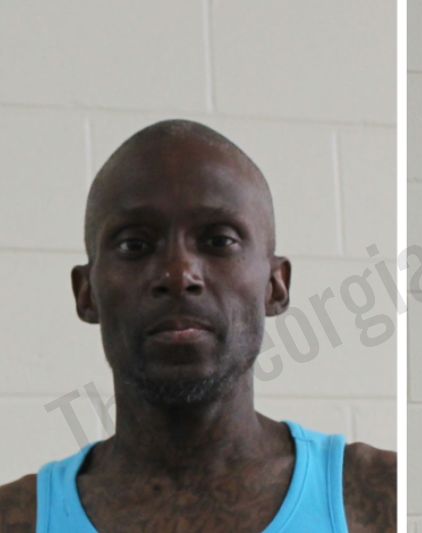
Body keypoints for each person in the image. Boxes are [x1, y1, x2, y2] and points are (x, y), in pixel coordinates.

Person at [0, 119, 396, 532]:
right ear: (86, 293)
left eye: (219, 240)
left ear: (276, 286)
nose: (178, 274)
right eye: (135, 244)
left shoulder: (377, 498)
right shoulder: (15, 519)